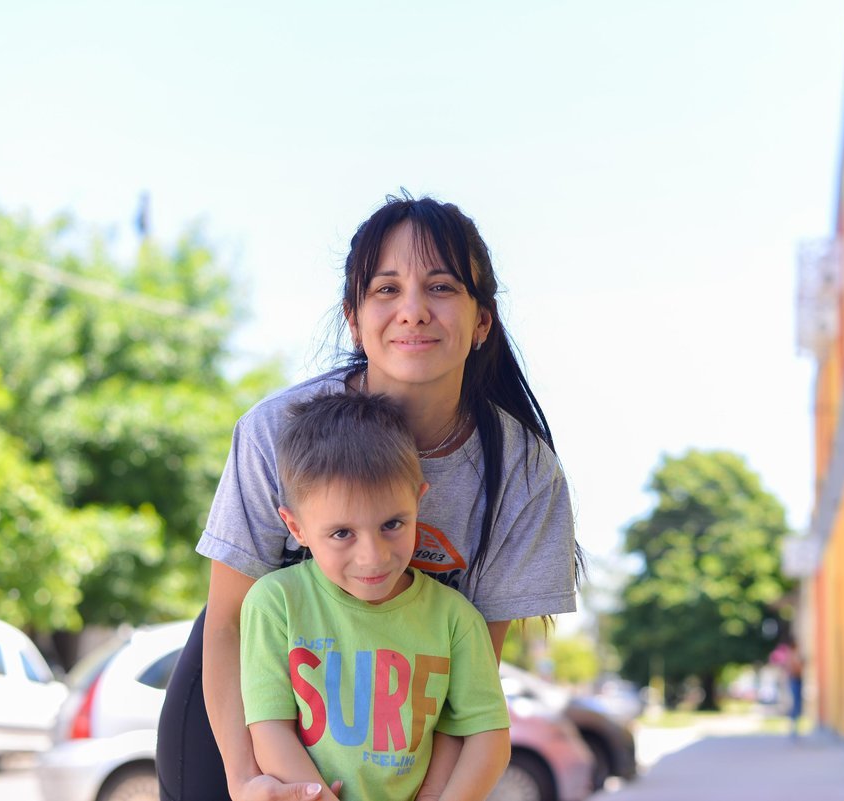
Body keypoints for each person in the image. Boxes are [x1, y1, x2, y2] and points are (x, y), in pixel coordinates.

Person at [157, 193, 580, 801]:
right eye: (386, 289)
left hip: (396, 734)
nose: (412, 311)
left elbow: (464, 693)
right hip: (245, 718)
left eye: (441, 287)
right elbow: (227, 622)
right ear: (353, 320)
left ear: (482, 320)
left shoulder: (525, 474)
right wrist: (246, 780)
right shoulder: (274, 431)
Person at [240, 392, 511, 801]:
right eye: (341, 533)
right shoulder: (275, 604)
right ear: (295, 528)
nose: (373, 557)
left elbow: (487, 735)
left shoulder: (455, 618)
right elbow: (268, 727)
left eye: (392, 524)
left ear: (417, 502)